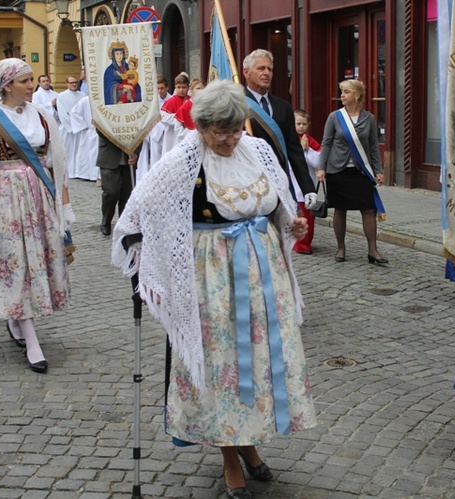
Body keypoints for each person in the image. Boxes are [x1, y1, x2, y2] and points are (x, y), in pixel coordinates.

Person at [112, 80, 316, 499]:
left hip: (263, 274)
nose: (228, 139)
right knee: (223, 365)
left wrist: (289, 225)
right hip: (211, 278)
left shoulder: (257, 151)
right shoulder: (183, 161)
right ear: (200, 126)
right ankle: (228, 456)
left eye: (234, 129)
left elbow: (278, 205)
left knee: (256, 362)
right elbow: (138, 215)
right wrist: (146, 257)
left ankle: (250, 443)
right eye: (218, 132)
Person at [0, 58, 73, 374]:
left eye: (31, 80)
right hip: (6, 202)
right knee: (16, 264)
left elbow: (57, 165)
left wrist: (64, 207)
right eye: (24, 81)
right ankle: (31, 338)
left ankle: (17, 319)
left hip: (39, 199)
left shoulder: (43, 116)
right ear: (7, 85)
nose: (30, 86)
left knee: (36, 263)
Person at [316, 79, 386, 264]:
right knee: (340, 210)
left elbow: (372, 146)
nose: (342, 95)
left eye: (346, 92)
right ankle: (341, 248)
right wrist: (321, 168)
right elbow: (327, 143)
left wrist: (378, 170)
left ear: (356, 95)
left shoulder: (369, 118)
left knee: (368, 210)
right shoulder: (334, 117)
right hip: (337, 171)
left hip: (361, 171)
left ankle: (373, 250)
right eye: (342, 92)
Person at [243, 49, 316, 211]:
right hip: (247, 185)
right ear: (246, 72)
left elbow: (294, 150)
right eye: (261, 68)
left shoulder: (283, 106)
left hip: (278, 184)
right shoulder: (235, 103)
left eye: (269, 69)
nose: (266, 73)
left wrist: (308, 187)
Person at [97, 132, 139, 236]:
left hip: (129, 155)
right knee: (111, 192)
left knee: (127, 194)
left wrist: (136, 152)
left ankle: (124, 223)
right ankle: (106, 220)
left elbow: (140, 127)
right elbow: (100, 126)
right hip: (109, 153)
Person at [292, 109, 320, 255]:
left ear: (308, 125)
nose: (301, 127)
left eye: (304, 124)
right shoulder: (288, 139)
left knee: (307, 217)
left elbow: (318, 162)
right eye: (298, 123)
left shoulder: (311, 141)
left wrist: (306, 151)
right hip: (292, 185)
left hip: (306, 187)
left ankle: (304, 243)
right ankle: (295, 243)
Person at [136, 74, 170, 182]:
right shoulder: (152, 101)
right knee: (155, 158)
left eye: (162, 88)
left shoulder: (172, 99)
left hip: (168, 133)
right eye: (158, 89)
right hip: (155, 133)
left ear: (167, 87)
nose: (160, 91)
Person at [56, 75, 85, 179]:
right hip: (68, 129)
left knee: (79, 151)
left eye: (75, 82)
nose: (74, 84)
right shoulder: (61, 96)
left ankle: (78, 172)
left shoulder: (82, 95)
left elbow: (84, 112)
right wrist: (72, 127)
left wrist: (81, 125)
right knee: (68, 151)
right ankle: (68, 172)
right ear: (66, 84)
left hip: (81, 128)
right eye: (71, 82)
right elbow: (63, 114)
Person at [69, 94, 100, 181]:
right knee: (88, 154)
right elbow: (74, 112)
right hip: (89, 131)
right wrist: (83, 126)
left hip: (99, 132)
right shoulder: (85, 100)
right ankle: (86, 174)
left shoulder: (102, 98)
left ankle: (97, 175)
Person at [160, 72, 190, 156]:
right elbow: (164, 119)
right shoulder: (171, 101)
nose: (181, 90)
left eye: (183, 87)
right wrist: (180, 117)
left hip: (188, 134)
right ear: (175, 87)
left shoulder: (191, 100)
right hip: (173, 137)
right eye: (179, 87)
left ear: (188, 87)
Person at [173, 77, 205, 143]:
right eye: (198, 89)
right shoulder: (185, 107)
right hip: (189, 140)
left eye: (202, 89)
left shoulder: (206, 105)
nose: (200, 91)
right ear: (191, 89)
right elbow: (178, 128)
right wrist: (192, 135)